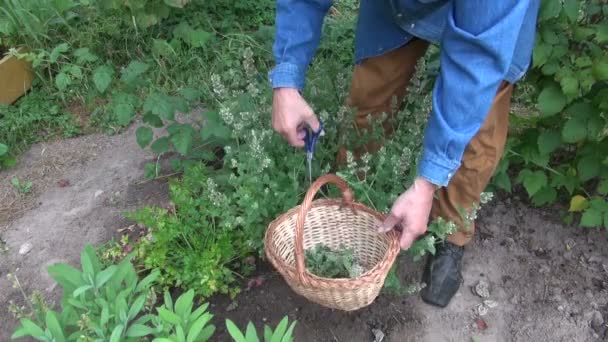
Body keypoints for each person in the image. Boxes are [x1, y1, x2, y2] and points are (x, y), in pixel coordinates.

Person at [269, 0, 540, 308]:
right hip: (398, 7)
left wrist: (428, 181)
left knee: (479, 130)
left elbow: (477, 63)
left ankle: (450, 233)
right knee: (370, 96)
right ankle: (351, 209)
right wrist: (287, 80)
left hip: (491, 19)